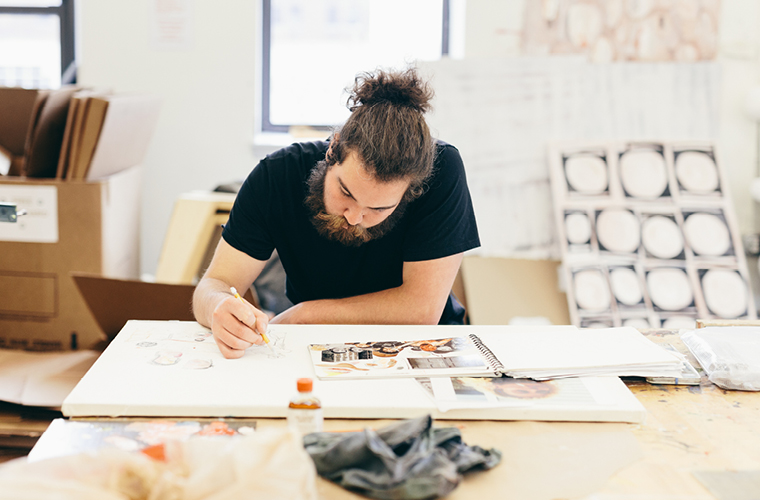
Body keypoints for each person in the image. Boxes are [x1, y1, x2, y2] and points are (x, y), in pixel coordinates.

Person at [193, 67, 480, 359]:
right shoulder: (277, 176)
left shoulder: (442, 171)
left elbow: (420, 310)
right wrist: (218, 306)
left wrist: (304, 316)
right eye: (346, 193)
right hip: (316, 345)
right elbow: (215, 283)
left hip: (421, 346)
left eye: (379, 208)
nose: (354, 217)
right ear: (333, 150)